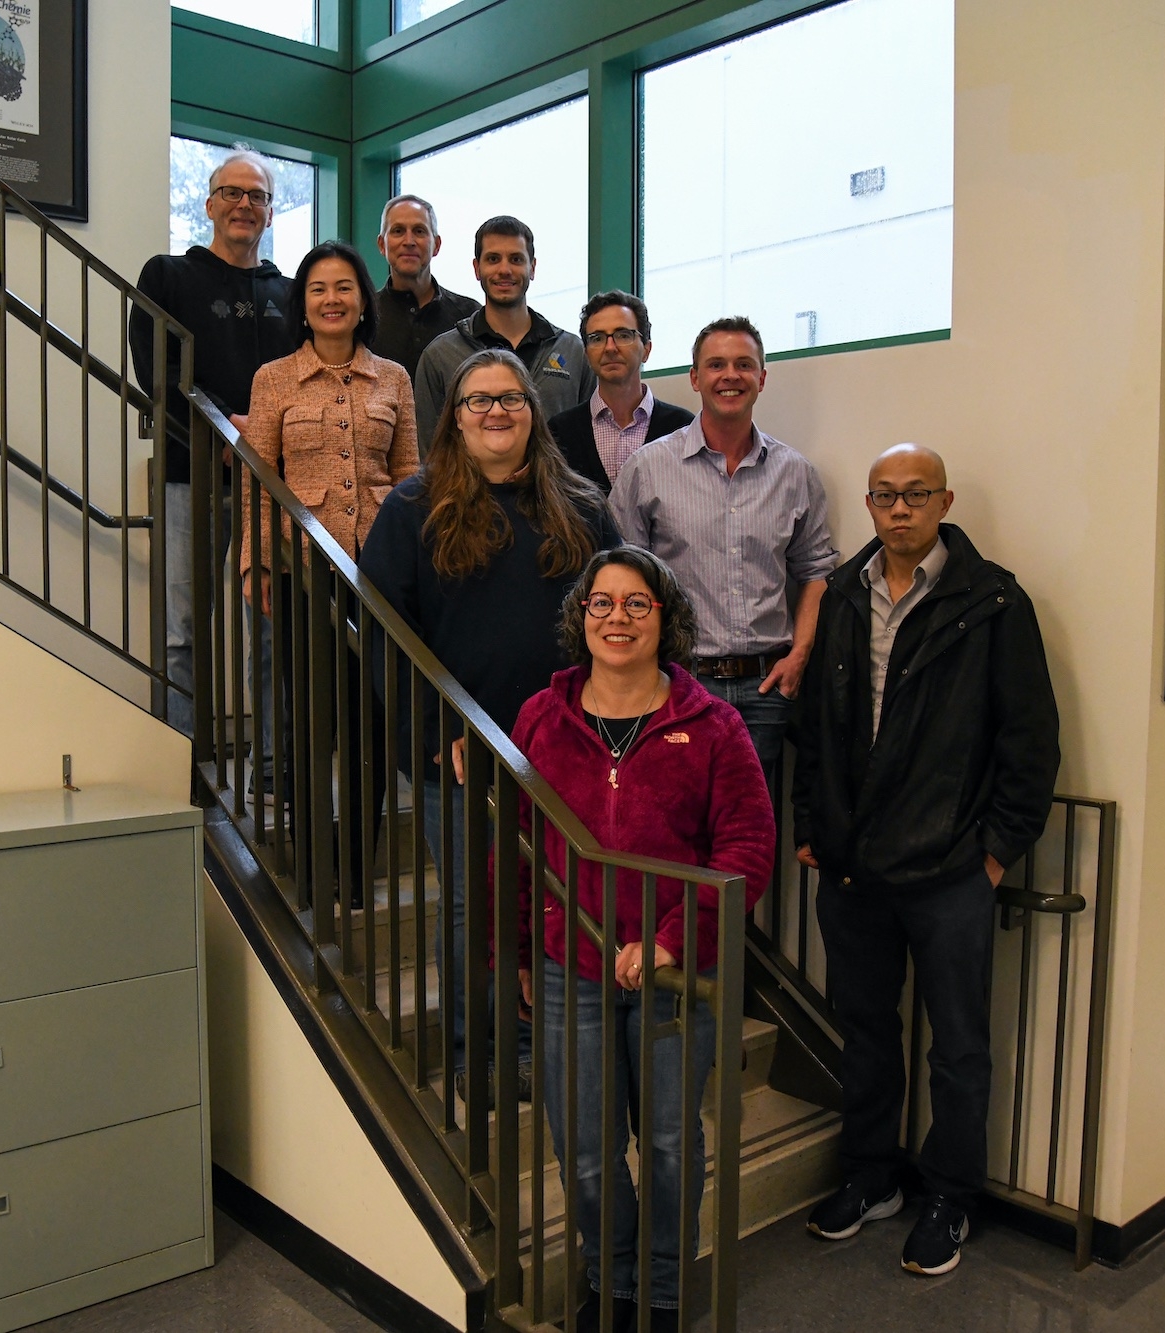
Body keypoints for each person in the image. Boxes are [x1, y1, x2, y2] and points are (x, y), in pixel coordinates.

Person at [793, 443, 1061, 1277]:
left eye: (915, 494)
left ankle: (951, 1195)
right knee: (866, 1032)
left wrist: (996, 852)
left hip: (950, 870)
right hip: (853, 868)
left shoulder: (992, 602)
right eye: (884, 495)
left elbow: (1029, 738)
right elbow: (817, 724)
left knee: (959, 1046)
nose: (899, 508)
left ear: (943, 501)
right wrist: (811, 822)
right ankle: (873, 1177)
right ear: (868, 505)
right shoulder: (841, 595)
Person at [511, 546, 772, 1333]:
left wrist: (670, 943)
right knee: (587, 1152)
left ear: (666, 618)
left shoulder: (715, 725)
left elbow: (746, 852)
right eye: (601, 603)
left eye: (636, 604)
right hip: (573, 968)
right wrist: (525, 949)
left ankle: (662, 1291)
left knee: (666, 1144)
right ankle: (609, 1279)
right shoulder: (540, 719)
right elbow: (519, 843)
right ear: (579, 617)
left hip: (672, 979)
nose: (616, 618)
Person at [359, 349, 620, 1100]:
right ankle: (484, 1053)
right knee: (477, 906)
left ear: (533, 412)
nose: (496, 411)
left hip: (570, 745)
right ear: (456, 416)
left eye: (511, 398)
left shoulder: (583, 505)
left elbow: (612, 616)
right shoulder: (412, 509)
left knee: (562, 896)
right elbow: (384, 635)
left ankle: (551, 1041)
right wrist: (429, 732)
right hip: (461, 751)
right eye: (478, 401)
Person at [241, 240, 420, 879]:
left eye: (344, 287)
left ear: (362, 301)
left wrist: (417, 567)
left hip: (378, 573)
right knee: (315, 723)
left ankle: (354, 872)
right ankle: (316, 869)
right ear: (303, 303)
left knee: (372, 725)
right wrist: (257, 561)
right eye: (318, 289)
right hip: (303, 573)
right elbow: (258, 478)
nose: (332, 300)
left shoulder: (394, 378)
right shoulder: (273, 380)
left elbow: (409, 479)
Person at [608, 316, 836, 807]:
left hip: (766, 689)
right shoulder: (648, 469)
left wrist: (798, 657)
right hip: (678, 684)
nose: (729, 375)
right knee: (673, 822)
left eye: (743, 365)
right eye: (715, 365)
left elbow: (817, 572)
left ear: (761, 378)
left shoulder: (794, 474)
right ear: (695, 378)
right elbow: (621, 581)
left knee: (746, 830)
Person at [130, 149, 294, 737]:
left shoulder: (293, 293)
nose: (244, 205)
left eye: (257, 196)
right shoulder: (168, 276)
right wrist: (228, 426)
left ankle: (276, 772)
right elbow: (157, 368)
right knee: (182, 631)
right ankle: (180, 769)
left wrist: (264, 438)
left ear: (271, 213)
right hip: (191, 476)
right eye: (232, 192)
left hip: (273, 488)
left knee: (275, 632)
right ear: (208, 204)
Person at [411, 216, 592, 442]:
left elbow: (587, 444)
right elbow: (430, 453)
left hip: (554, 478)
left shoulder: (572, 352)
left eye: (516, 259)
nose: (504, 269)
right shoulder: (441, 356)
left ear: (532, 268)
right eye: (493, 259)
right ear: (477, 269)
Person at [549, 291, 692, 494]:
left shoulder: (682, 428)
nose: (610, 347)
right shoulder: (559, 432)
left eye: (623, 335)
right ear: (587, 354)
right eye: (597, 338)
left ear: (647, 350)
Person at [370, 194, 480, 380]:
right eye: (398, 231)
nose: (409, 241)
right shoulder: (364, 316)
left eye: (419, 231)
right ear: (382, 245)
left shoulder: (470, 316)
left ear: (436, 245)